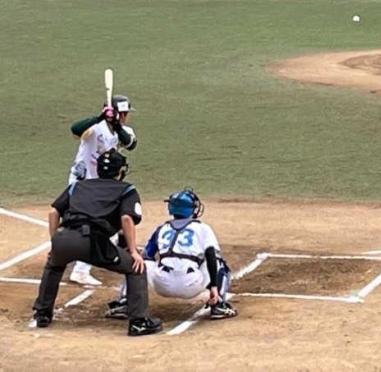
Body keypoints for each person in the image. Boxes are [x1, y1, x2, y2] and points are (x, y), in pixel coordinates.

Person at [32, 150, 162, 337]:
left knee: (54, 265)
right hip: (92, 242)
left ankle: (42, 314)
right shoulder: (126, 189)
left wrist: (55, 243)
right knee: (135, 268)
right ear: (120, 171)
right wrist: (133, 251)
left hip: (63, 237)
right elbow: (127, 218)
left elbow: (54, 212)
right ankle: (139, 322)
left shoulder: (77, 186)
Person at [106, 188, 237, 322]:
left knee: (140, 262)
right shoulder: (203, 228)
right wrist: (213, 286)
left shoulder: (162, 228)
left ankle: (124, 302)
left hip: (162, 284)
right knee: (218, 261)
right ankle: (218, 304)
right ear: (191, 209)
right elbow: (210, 255)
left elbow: (147, 255)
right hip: (191, 285)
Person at [66, 95, 138, 286]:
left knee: (98, 225)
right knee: (98, 227)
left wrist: (116, 124)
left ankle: (80, 254)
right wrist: (100, 117)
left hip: (100, 188)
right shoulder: (94, 128)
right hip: (83, 183)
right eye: (123, 114)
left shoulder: (124, 130)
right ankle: (80, 270)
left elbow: (130, 144)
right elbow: (75, 129)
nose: (125, 117)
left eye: (125, 114)